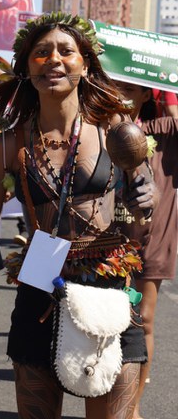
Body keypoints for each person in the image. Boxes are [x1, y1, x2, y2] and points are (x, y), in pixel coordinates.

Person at [0, 13, 155, 419]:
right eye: (41, 52)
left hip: (108, 290)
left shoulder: (115, 130)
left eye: (65, 51)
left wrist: (144, 201)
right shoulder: (9, 145)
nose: (53, 59)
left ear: (85, 64)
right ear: (27, 70)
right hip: (41, 282)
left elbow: (138, 225)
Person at [114, 82, 178, 419]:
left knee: (144, 321)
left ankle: (132, 406)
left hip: (154, 236)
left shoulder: (163, 130)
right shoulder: (97, 128)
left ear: (144, 94)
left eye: (129, 87)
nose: (120, 92)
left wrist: (166, 87)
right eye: (115, 85)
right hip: (108, 240)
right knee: (106, 323)